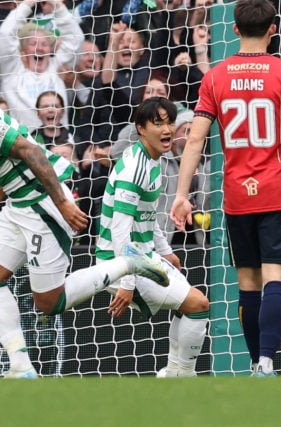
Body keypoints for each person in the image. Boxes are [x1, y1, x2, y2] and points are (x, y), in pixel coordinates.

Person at [0, 74, 168, 379]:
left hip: (43, 202)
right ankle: (21, 366)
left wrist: (63, 203)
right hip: (17, 203)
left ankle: (128, 263)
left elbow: (32, 151)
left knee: (49, 302)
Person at [171, 0, 281, 377]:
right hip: (278, 191)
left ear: (235, 29)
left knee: (247, 281)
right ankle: (266, 362)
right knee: (276, 274)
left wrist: (182, 194)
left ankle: (251, 362)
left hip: (237, 194)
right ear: (273, 30)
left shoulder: (215, 76)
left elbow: (194, 140)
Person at [95, 97, 210, 378]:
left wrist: (165, 250)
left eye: (169, 121)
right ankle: (182, 374)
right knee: (199, 305)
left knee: (190, 307)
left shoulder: (152, 161)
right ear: (141, 129)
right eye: (157, 123)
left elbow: (147, 216)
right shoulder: (134, 168)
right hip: (122, 261)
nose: (167, 129)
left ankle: (174, 373)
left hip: (143, 255)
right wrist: (126, 281)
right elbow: (120, 230)